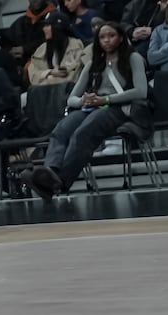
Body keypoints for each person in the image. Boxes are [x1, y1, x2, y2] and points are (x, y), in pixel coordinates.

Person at [29, 23, 149, 199]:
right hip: (94, 106)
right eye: (102, 37)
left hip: (120, 107)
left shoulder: (133, 58)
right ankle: (51, 171)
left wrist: (106, 99)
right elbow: (72, 98)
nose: (106, 40)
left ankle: (60, 182)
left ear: (121, 38)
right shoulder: (93, 64)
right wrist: (83, 100)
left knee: (84, 132)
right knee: (61, 130)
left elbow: (141, 91)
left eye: (111, 35)